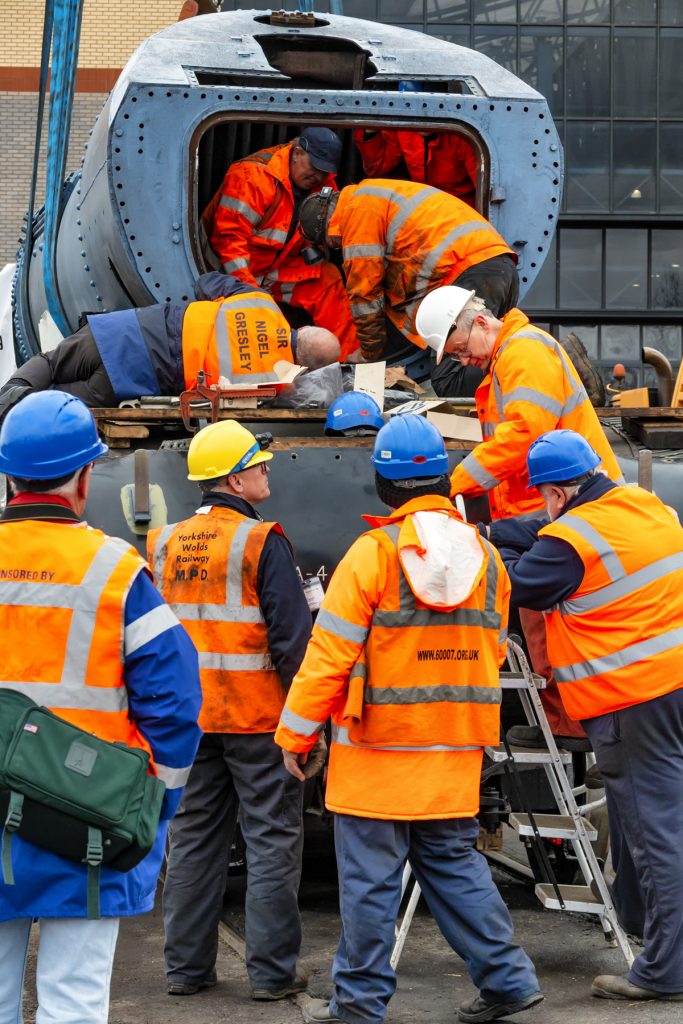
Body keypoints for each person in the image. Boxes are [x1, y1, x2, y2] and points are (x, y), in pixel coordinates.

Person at [275, 414, 543, 1024]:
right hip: (455, 745)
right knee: (454, 863)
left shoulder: (373, 556)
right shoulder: (487, 558)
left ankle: (358, 1002)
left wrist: (295, 733)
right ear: (445, 480)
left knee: (371, 882)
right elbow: (491, 646)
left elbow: (329, 655)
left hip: (379, 749)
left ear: (382, 484)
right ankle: (507, 980)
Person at [0, 391, 202, 1024]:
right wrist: (154, 805)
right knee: (74, 1005)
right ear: (85, 478)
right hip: (86, 821)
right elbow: (174, 703)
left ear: (9, 477)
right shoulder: (115, 570)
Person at [492, 429, 683, 1002]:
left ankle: (667, 971)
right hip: (672, 685)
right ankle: (643, 926)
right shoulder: (644, 504)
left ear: (556, 494)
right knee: (641, 823)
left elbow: (513, 584)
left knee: (656, 834)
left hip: (631, 699)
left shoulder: (568, 544)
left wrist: (487, 545)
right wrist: (504, 529)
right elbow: (548, 531)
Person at [148, 419, 314, 999]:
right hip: (257, 720)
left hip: (190, 721)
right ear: (235, 479)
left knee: (192, 840)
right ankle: (271, 975)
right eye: (258, 463)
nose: (267, 470)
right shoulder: (261, 541)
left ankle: (186, 971)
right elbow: (292, 641)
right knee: (271, 840)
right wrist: (308, 723)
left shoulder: (163, 542)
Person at [417, 286, 624, 743]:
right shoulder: (509, 358)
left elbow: (525, 433)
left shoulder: (523, 353)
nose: (464, 361)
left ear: (480, 323)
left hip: (568, 506)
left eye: (460, 349)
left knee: (554, 623)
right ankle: (565, 722)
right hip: (553, 504)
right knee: (543, 620)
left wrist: (455, 484)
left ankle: (571, 724)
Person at [0, 272, 340, 418]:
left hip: (126, 331)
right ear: (306, 367)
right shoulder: (276, 383)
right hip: (140, 375)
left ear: (304, 327)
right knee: (58, 399)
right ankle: (18, 410)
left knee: (50, 363)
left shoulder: (260, 302)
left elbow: (206, 282)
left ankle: (10, 392)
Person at [297, 179, 518, 397]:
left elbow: (365, 294)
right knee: (490, 351)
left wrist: (368, 355)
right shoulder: (372, 195)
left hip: (469, 270)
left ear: (327, 230)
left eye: (331, 243)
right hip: (498, 264)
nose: (337, 247)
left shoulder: (356, 213)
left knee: (451, 379)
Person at [206, 127, 358, 359]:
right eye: (314, 167)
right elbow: (229, 242)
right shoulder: (252, 176)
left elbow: (323, 231)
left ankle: (350, 363)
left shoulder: (324, 187)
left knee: (328, 279)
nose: (318, 176)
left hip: (274, 269)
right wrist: (250, 294)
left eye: (324, 171)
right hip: (227, 271)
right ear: (296, 153)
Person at [354, 128, 477, 206]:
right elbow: (377, 168)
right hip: (419, 207)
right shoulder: (405, 127)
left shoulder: (463, 135)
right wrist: (370, 132)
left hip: (461, 208)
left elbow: (483, 187)